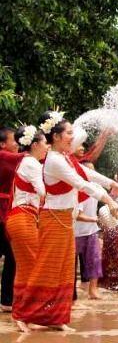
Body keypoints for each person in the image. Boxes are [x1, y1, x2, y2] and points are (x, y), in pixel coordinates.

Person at [16, 111, 118, 331]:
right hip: (53, 220)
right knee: (46, 269)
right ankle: (23, 314)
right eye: (69, 133)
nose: (72, 136)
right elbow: (80, 183)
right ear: (56, 137)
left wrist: (113, 186)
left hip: (65, 221)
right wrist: (108, 199)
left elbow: (88, 175)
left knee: (64, 270)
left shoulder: (66, 158)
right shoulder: (55, 161)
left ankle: (56, 317)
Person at [4, 126, 47, 332]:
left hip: (21, 218)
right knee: (31, 269)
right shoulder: (31, 163)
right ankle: (23, 315)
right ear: (35, 144)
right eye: (44, 143)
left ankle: (22, 315)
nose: (47, 146)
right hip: (23, 218)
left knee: (26, 268)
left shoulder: (28, 162)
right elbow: (42, 191)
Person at [0, 126, 24, 312]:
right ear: (2, 144)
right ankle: (6, 300)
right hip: (3, 212)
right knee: (11, 256)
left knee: (12, 256)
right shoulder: (3, 156)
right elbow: (26, 157)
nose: (17, 143)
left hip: (7, 212)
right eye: (13, 140)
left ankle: (7, 300)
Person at [74, 161, 104, 300]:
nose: (92, 174)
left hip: (91, 231)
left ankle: (93, 290)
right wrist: (95, 219)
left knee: (95, 260)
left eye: (93, 171)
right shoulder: (78, 190)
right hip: (76, 232)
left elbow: (109, 197)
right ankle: (70, 295)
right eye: (88, 171)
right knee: (70, 266)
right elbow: (77, 215)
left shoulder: (96, 187)